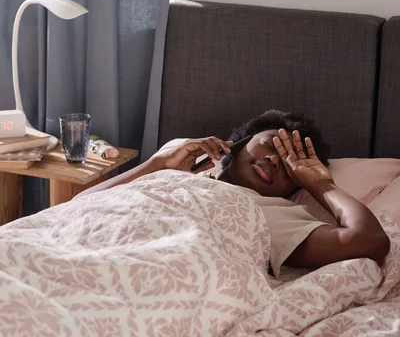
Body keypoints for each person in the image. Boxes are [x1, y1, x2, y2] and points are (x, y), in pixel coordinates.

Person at [83, 110, 390, 278]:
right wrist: (158, 164)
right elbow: (80, 206)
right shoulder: (174, 173)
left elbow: (370, 241)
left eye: (287, 165)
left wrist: (321, 185)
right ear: (239, 142)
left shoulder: (271, 213)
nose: (273, 160)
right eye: (270, 146)